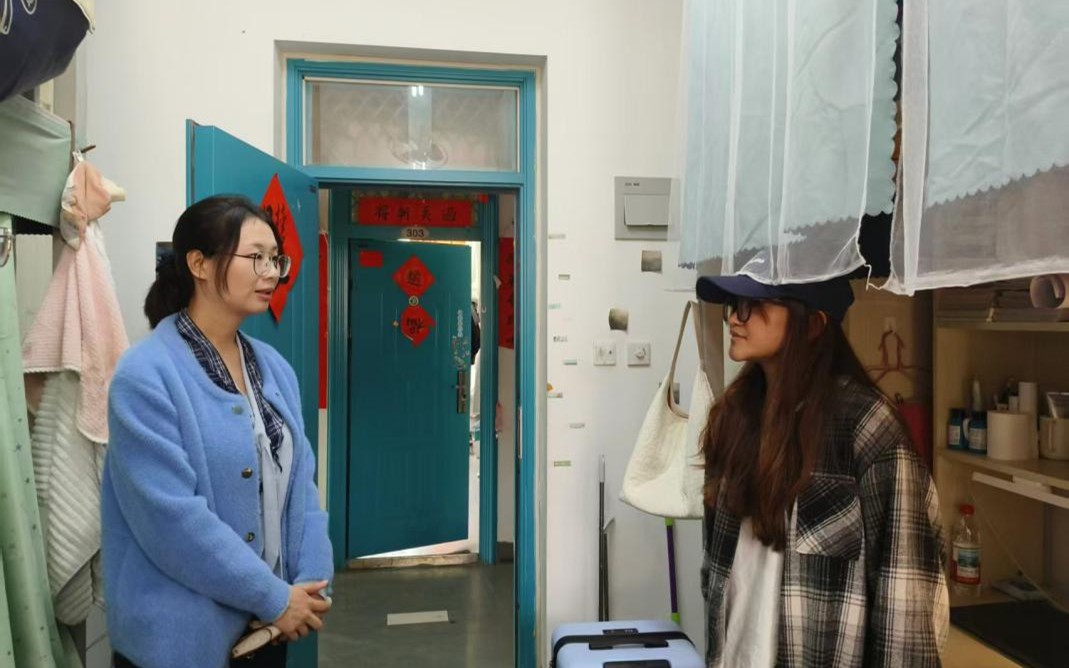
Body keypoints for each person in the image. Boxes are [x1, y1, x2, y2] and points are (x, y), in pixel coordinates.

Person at [102, 195, 334, 668]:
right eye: (256, 257)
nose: (271, 272)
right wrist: (275, 597)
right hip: (179, 644)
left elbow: (302, 488)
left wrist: (311, 585)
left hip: (268, 631)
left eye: (276, 259)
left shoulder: (274, 368)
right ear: (199, 264)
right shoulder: (145, 375)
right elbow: (172, 522)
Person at [695, 274, 948, 667]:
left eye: (752, 305)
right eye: (733, 304)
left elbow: (905, 604)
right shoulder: (733, 418)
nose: (733, 318)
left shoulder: (866, 428)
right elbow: (715, 568)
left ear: (812, 323)